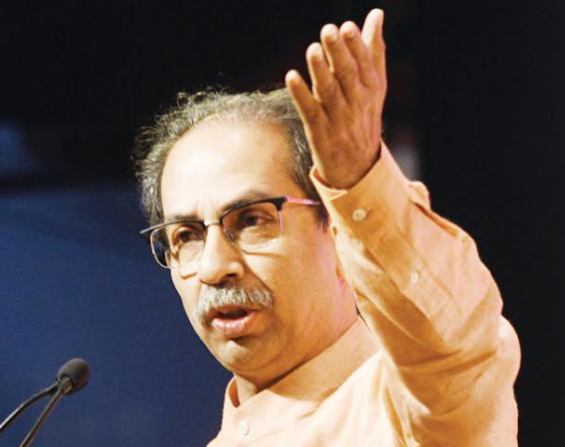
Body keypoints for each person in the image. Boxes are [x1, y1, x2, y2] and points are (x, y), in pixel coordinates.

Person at [135, 8, 520, 446]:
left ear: (338, 232)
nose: (213, 267)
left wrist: (361, 184)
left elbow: (457, 351)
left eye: (252, 220)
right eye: (187, 236)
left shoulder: (412, 408)